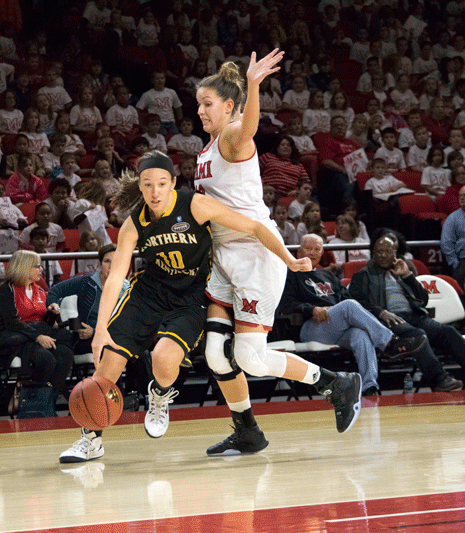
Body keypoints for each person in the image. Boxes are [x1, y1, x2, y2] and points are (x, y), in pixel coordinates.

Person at [58, 150, 312, 463]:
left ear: (173, 183)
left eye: (161, 184)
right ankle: (90, 439)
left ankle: (160, 395)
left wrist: (288, 258)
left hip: (191, 295)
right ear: (140, 186)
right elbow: (113, 280)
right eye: (148, 184)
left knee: (163, 361)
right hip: (148, 292)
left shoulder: (194, 205)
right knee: (107, 365)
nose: (154, 191)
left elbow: (256, 228)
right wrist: (100, 331)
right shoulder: (133, 224)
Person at [194, 51, 363, 457]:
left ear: (229, 106)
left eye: (207, 104)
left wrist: (254, 86)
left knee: (249, 358)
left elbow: (250, 126)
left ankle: (336, 383)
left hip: (255, 254)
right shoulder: (208, 146)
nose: (200, 111)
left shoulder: (234, 133)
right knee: (217, 354)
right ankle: (247, 430)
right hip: (224, 258)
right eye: (198, 103)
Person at [349, 232, 465, 391]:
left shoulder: (402, 271)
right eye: (379, 251)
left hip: (413, 317)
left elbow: (423, 300)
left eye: (388, 251)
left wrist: (407, 276)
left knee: (448, 331)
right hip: (387, 322)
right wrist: (381, 312)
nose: (383, 255)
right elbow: (357, 303)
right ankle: (439, 379)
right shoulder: (362, 276)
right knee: (417, 334)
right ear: (373, 253)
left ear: (395, 254)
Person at [278, 234, 424, 396]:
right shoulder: (289, 275)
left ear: (321, 253)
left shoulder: (328, 276)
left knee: (360, 334)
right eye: (308, 248)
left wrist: (336, 311)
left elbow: (346, 298)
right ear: (298, 252)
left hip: (337, 325)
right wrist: (311, 309)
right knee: (349, 306)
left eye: (317, 249)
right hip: (310, 327)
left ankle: (369, 387)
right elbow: (286, 305)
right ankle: (389, 343)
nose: (312, 253)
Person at [0, 250, 74, 416]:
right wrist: (37, 336)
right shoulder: (6, 290)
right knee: (47, 359)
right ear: (24, 267)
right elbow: (12, 323)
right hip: (16, 337)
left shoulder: (40, 291)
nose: (41, 270)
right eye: (36, 266)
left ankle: (44, 403)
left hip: (38, 335)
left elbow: (45, 324)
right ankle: (29, 399)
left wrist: (51, 314)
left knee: (65, 354)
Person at [47, 244, 130, 355]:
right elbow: (55, 290)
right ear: (99, 264)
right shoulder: (86, 282)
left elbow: (127, 324)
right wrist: (53, 304)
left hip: (115, 337)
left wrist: (95, 332)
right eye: (107, 261)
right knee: (112, 350)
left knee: (139, 354)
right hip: (86, 339)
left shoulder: (127, 288)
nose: (111, 266)